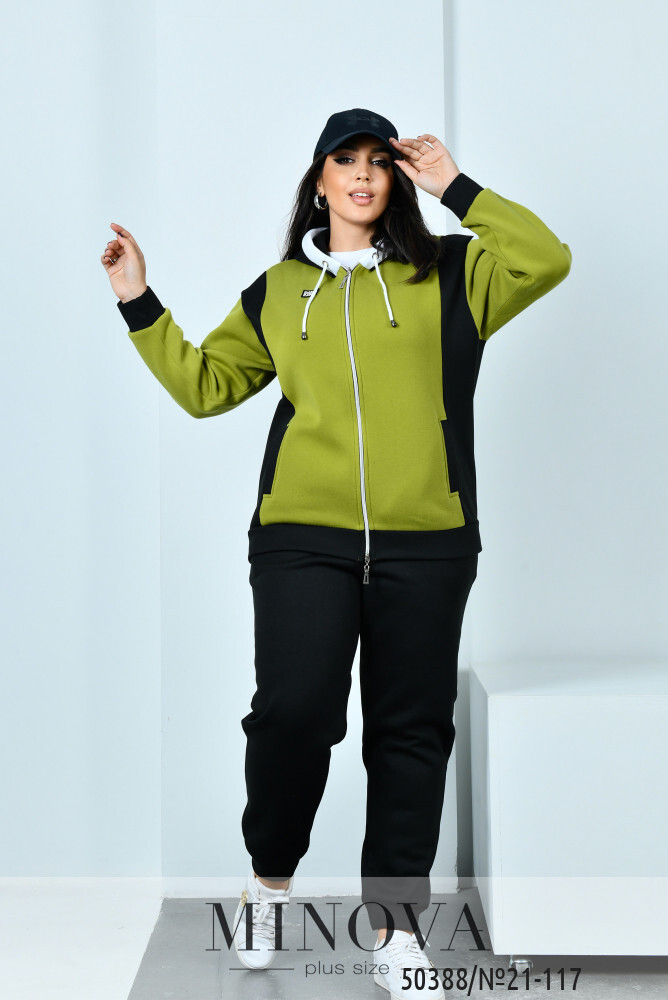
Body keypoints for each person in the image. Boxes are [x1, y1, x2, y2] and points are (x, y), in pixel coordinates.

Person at [102, 107, 571, 998]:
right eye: (344, 160)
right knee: (292, 715)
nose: (362, 174)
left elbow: (546, 259)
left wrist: (455, 187)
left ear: (396, 179)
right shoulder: (279, 292)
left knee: (411, 732)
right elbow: (207, 387)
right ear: (318, 181)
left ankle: (395, 928)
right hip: (300, 539)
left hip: (427, 541)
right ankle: (269, 882)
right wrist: (138, 300)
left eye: (378, 162)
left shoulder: (454, 273)